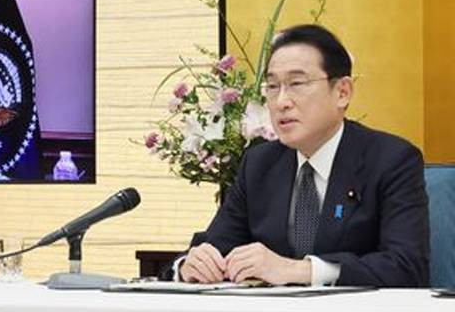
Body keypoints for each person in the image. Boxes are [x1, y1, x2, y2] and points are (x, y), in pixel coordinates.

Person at [174, 24, 429, 287]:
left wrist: (302, 271)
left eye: (296, 84)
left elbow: (407, 266)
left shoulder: (391, 160)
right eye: (272, 87)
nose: (281, 102)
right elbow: (217, 245)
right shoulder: (258, 164)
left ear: (342, 92)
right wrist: (188, 266)